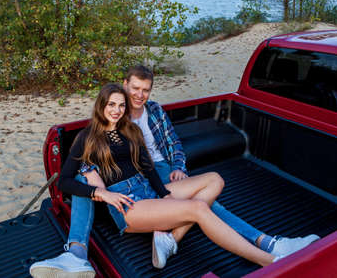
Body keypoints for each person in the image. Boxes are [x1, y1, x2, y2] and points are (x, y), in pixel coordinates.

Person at [29, 84, 282, 278]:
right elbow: (63, 182)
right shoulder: (87, 138)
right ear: (101, 106)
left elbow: (149, 169)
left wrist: (165, 195)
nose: (116, 110)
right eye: (111, 105)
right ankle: (267, 261)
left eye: (121, 105)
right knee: (198, 208)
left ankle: (170, 237)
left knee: (214, 180)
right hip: (128, 204)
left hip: (148, 189)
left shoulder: (131, 131)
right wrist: (102, 194)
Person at [83, 65, 320, 269]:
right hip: (143, 177)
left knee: (210, 187)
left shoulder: (154, 110)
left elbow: (173, 141)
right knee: (208, 204)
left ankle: (171, 238)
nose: (140, 94)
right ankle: (266, 243)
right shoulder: (116, 114)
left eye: (145, 90)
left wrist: (178, 166)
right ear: (125, 85)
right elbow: (94, 159)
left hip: (163, 167)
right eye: (135, 88)